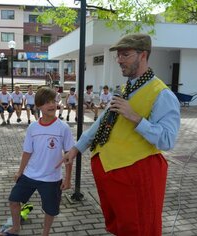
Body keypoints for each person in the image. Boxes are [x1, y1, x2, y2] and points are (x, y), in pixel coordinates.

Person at [58, 33, 181, 236]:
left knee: (140, 228)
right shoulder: (126, 88)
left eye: (125, 55)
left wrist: (135, 117)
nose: (119, 60)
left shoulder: (162, 94)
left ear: (143, 55)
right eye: (118, 55)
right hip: (113, 174)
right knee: (122, 227)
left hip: (137, 175)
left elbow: (167, 140)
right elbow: (102, 121)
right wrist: (76, 148)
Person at [0, 87, 74, 236]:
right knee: (14, 201)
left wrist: (68, 178)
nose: (52, 105)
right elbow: (27, 151)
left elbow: (68, 155)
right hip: (30, 175)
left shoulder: (63, 128)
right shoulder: (33, 127)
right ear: (38, 105)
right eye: (47, 102)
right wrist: (20, 171)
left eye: (53, 101)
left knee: (50, 210)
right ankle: (15, 228)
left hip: (52, 179)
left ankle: (44, 234)